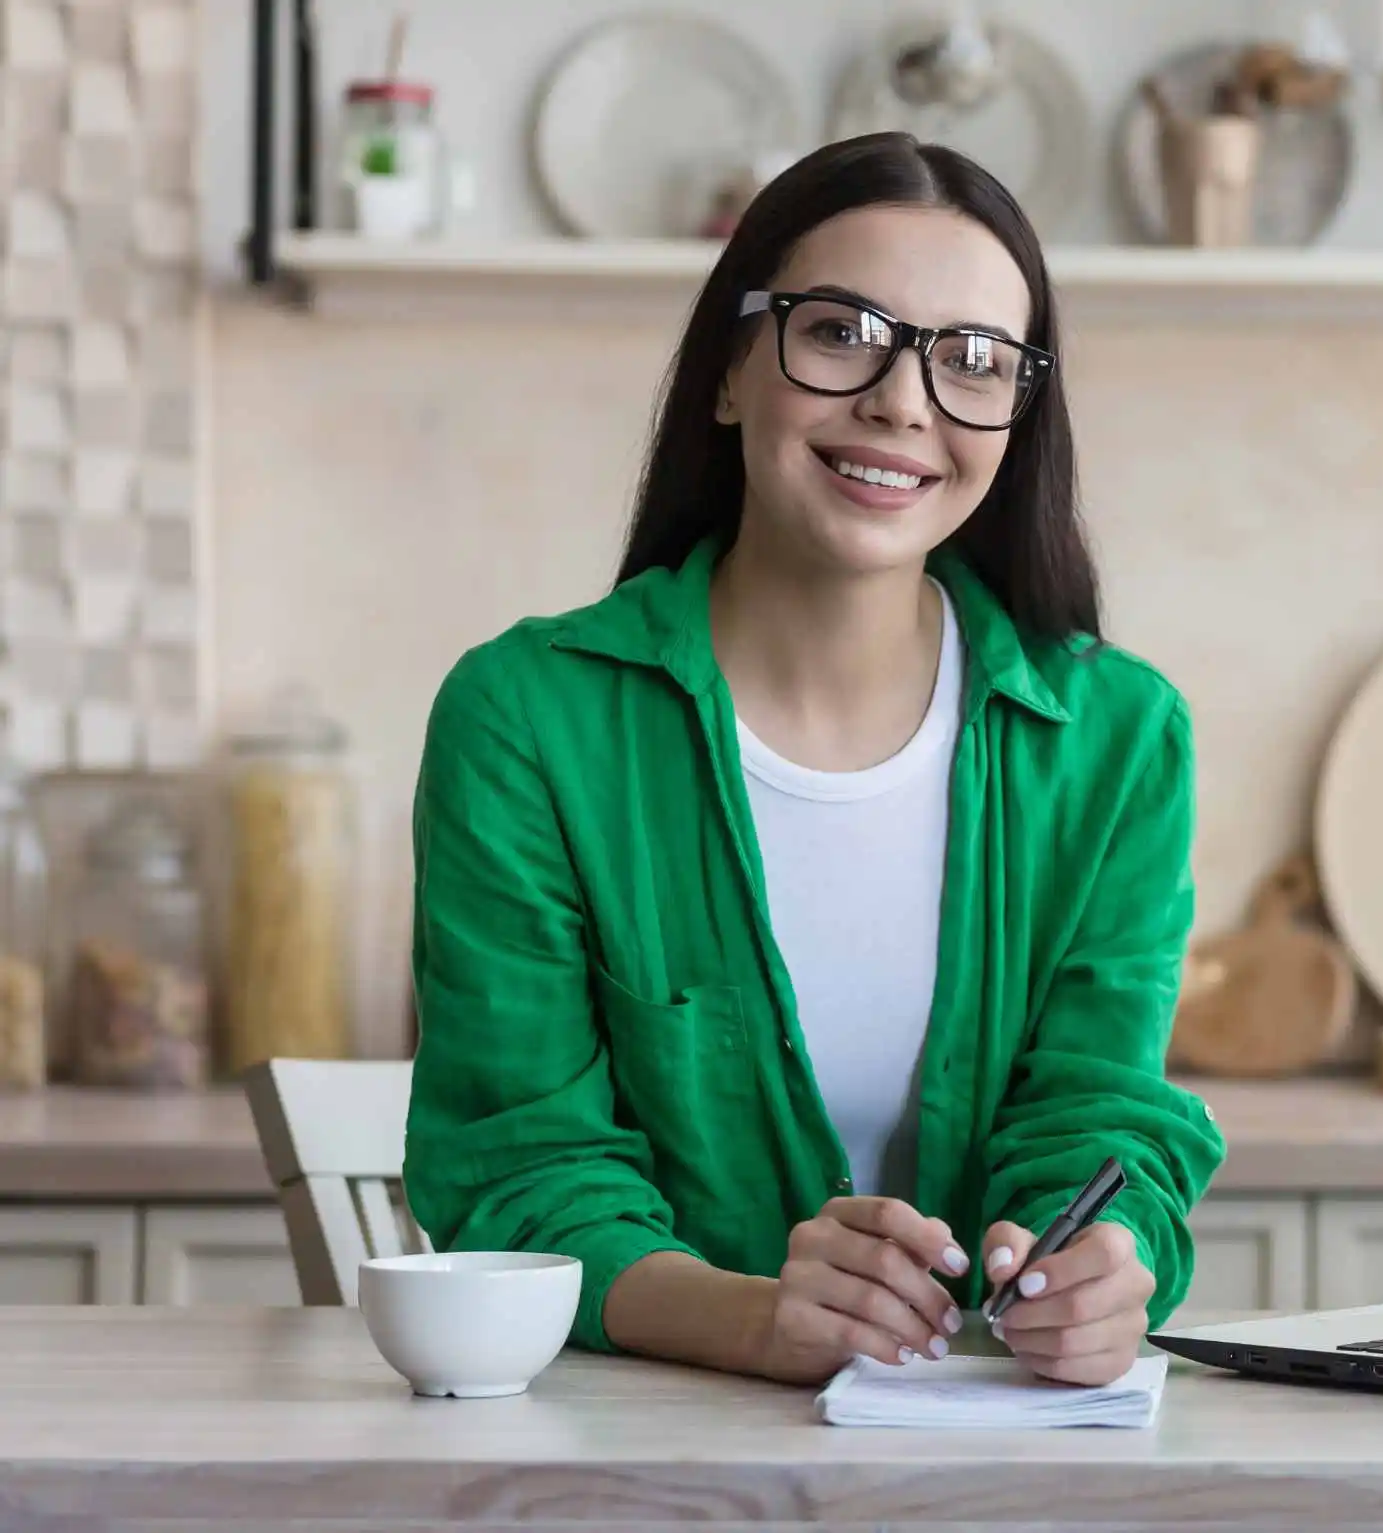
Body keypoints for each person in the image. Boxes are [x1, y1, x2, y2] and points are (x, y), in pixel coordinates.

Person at [401, 133, 1223, 1389]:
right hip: (638, 1457)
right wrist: (754, 1320)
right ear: (731, 369)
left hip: (1000, 1463)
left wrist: (1104, 1257)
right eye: (842, 332)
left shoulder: (1119, 739)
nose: (905, 401)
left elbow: (1098, 1114)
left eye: (973, 361)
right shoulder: (526, 718)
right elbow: (521, 1169)